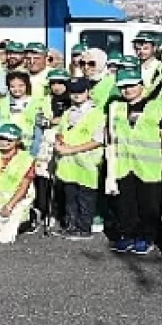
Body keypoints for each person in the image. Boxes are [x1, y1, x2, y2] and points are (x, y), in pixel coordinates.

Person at [104, 69, 162, 255]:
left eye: (131, 85)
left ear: (141, 85)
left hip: (151, 168)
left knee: (149, 205)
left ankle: (147, 237)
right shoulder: (115, 107)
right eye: (123, 86)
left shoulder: (159, 108)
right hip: (124, 166)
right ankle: (126, 234)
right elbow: (110, 137)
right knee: (125, 203)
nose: (127, 90)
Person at [54, 78, 106, 240]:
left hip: (87, 164)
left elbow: (98, 140)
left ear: (88, 92)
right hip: (68, 164)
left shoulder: (97, 114)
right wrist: (58, 142)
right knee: (70, 197)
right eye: (73, 92)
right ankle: (71, 226)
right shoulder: (68, 113)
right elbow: (61, 131)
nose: (76, 95)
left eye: (80, 92)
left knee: (85, 198)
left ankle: (84, 228)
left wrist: (70, 149)